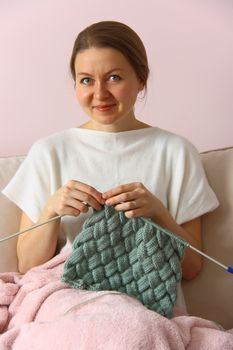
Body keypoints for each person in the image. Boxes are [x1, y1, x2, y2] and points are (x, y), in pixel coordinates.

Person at [2, 21, 218, 309]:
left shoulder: (176, 151)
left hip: (149, 310)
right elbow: (29, 265)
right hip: (67, 304)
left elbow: (191, 269)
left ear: (141, 80)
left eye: (114, 77)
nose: (100, 93)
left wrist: (158, 213)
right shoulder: (49, 152)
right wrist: (51, 210)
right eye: (86, 80)